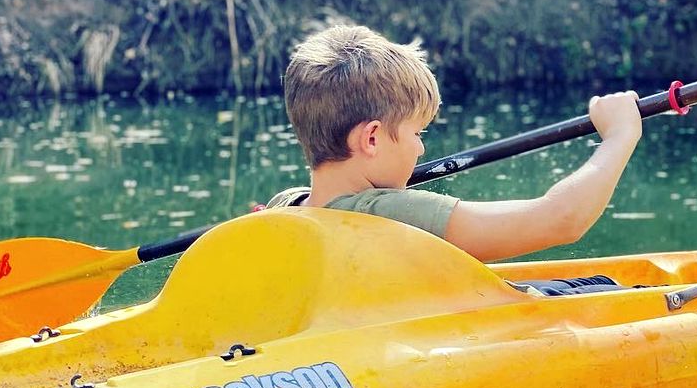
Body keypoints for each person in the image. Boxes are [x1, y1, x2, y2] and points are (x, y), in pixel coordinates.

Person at [266, 24, 642, 264]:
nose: (421, 150)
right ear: (373, 138)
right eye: (417, 133)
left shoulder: (286, 207)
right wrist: (620, 134)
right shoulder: (385, 214)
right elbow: (561, 220)